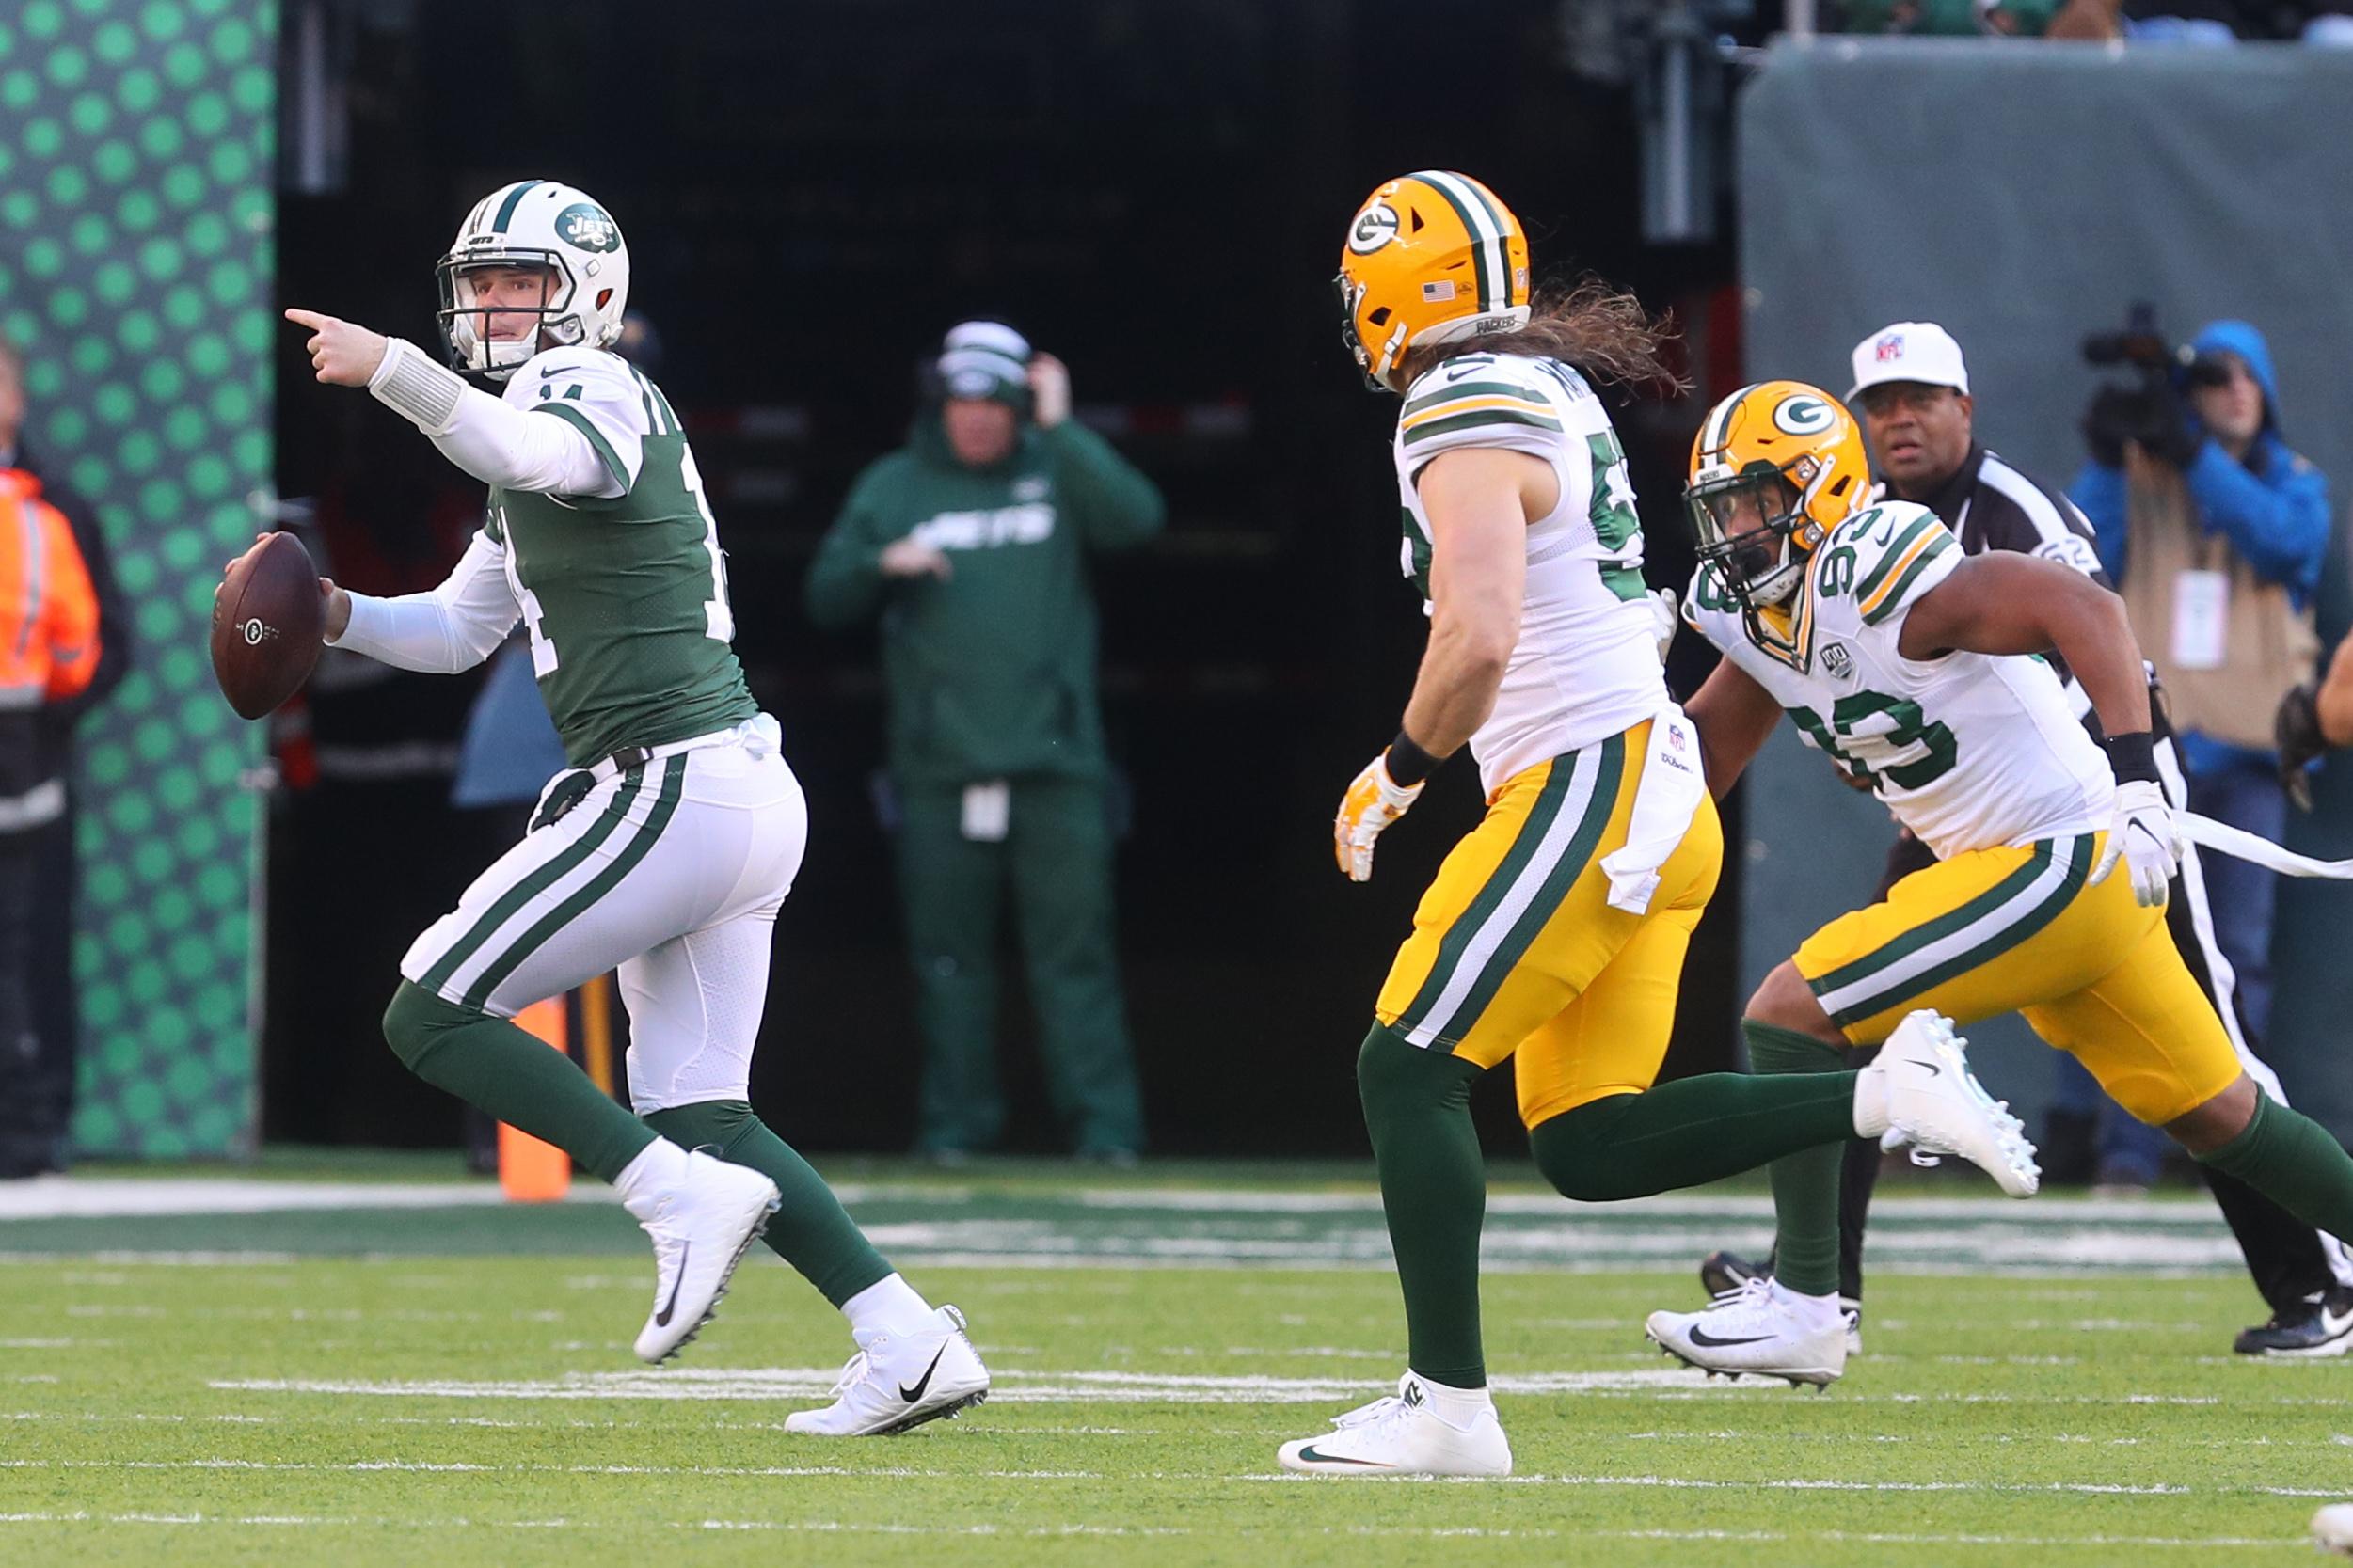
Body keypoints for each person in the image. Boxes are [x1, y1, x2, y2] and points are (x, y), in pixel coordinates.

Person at [1277, 174, 2036, 1481]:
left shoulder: (1458, 398)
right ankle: (1874, 1093)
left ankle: (1449, 1407)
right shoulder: (1544, 385)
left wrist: (1400, 767)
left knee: (1406, 1065)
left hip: (1586, 777)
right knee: (1585, 1137)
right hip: (1652, 791)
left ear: (1408, 291)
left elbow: (1480, 630)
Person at [272, 178, 986, 1434]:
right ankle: (906, 1338)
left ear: (592, 292)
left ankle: (673, 1195)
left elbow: (520, 446)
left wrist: (388, 366)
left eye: (522, 280)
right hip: (727, 782)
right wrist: (333, 614)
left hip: (673, 781)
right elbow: (452, 631)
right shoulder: (528, 421)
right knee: (701, 1104)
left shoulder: (578, 387)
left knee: (432, 1004)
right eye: (479, 282)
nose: (493, 304)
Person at [1646, 380, 2353, 1386]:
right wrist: (1631, 735)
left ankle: (1805, 1305)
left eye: (1755, 501)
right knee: (2219, 1113)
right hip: (2031, 876)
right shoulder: (1754, 608)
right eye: (1720, 506)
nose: (1734, 528)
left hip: (2056, 851)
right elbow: (1703, 757)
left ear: (1819, 489)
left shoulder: (1876, 563)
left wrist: (2138, 772)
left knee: (1791, 1011)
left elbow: (2082, 606)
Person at [805, 322, 1161, 1163]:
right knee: (947, 966)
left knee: (1074, 962)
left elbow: (1137, 520)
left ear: (1018, 406)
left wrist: (1062, 426)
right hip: (937, 769)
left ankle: (1105, 1134)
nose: (976, 420)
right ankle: (954, 1132)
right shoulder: (894, 486)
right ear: (939, 405)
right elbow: (823, 598)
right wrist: (876, 564)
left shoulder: (1054, 470)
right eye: (961, 403)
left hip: (1056, 768)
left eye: (994, 404)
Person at [2074, 319, 2329, 1045]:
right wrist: (2105, 460)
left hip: (2247, 761)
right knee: (2122, 944)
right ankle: (2120, 1150)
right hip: (2144, 758)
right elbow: (2082, 563)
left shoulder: (2296, 481)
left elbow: (2283, 544)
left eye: (2249, 376)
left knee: (2237, 953)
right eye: (2218, 378)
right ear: (2190, 394)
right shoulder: (2143, 475)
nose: (2238, 391)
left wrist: (2191, 451)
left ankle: (2239, 1136)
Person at [0, 337, 131, 1178]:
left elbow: (105, 648)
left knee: (33, 946)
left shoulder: (56, 509)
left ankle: (36, 1124)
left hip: (31, 771)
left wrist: (42, 735)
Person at [0, 467, 103, 1178]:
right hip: (20, 751)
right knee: (18, 952)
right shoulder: (40, 524)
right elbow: (78, 652)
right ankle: (27, 1132)